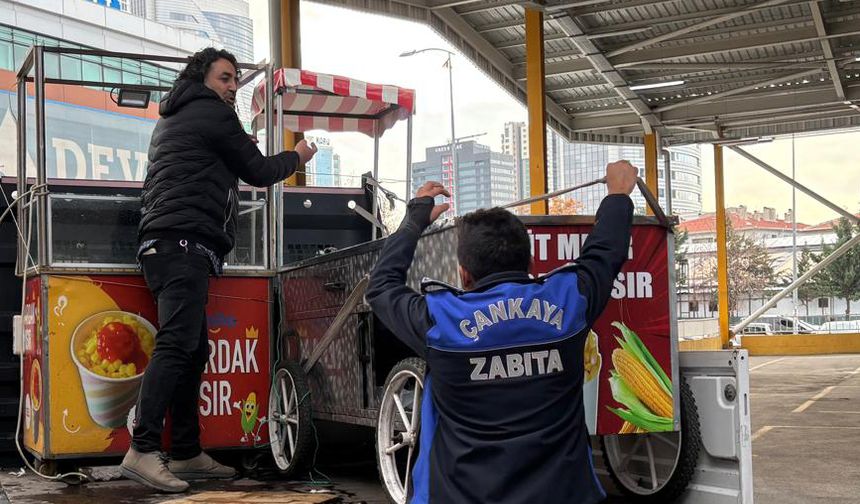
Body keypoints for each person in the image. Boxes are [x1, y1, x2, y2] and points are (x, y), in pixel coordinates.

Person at [367, 161, 637, 503]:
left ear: (464, 274)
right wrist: (618, 195)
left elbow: (381, 286)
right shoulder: (569, 303)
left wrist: (415, 217)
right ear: (531, 264)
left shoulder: (441, 320)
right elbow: (604, 253)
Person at [121, 47, 317, 493]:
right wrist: (299, 156)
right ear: (203, 78)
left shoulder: (176, 114)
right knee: (176, 345)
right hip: (183, 243)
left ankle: (187, 452)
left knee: (193, 349)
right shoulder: (210, 112)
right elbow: (260, 170)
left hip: (168, 243)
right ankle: (144, 448)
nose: (232, 87)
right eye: (225, 78)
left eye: (235, 80)